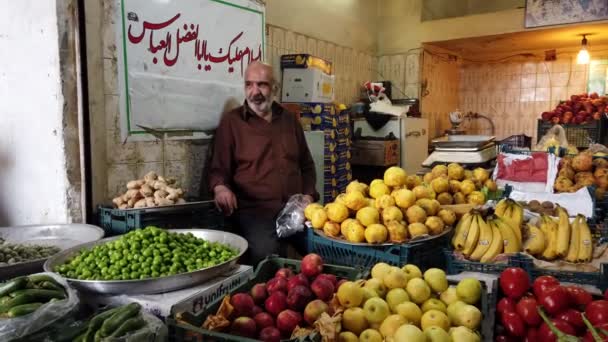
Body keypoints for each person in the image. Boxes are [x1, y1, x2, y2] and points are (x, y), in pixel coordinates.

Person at [208, 61, 319, 264]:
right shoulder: (232, 123)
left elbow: (307, 165)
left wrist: (308, 195)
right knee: (267, 260)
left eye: (262, 85)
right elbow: (218, 170)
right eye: (249, 84)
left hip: (296, 211)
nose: (254, 92)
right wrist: (220, 188)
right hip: (256, 213)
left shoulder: (289, 120)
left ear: (275, 88)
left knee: (325, 250)